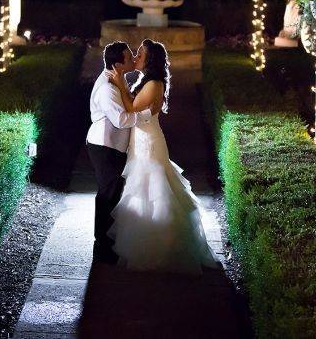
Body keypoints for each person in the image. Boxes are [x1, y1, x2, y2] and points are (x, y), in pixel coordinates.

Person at [105, 39, 220, 274]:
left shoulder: (153, 83)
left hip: (149, 143)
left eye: (140, 54)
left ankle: (162, 249)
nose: (135, 56)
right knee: (143, 190)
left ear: (150, 59)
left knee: (153, 189)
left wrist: (119, 82)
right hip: (142, 139)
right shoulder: (146, 80)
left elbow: (131, 110)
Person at [86, 41, 151, 263]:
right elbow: (122, 119)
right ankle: (101, 245)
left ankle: (107, 242)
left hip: (112, 146)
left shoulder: (116, 79)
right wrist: (145, 116)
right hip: (105, 146)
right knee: (107, 194)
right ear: (118, 64)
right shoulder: (107, 87)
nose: (133, 57)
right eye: (129, 55)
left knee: (112, 193)